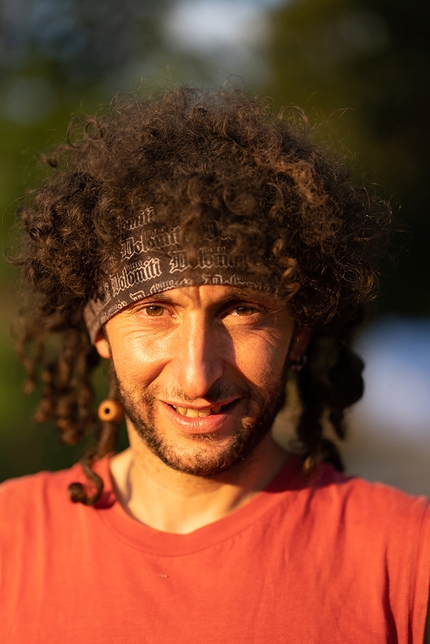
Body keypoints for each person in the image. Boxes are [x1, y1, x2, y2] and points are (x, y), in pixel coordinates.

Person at [1, 87, 429, 643]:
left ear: (299, 332)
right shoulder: (8, 540)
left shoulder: (408, 560)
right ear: (101, 333)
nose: (197, 376)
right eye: (154, 310)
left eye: (242, 310)